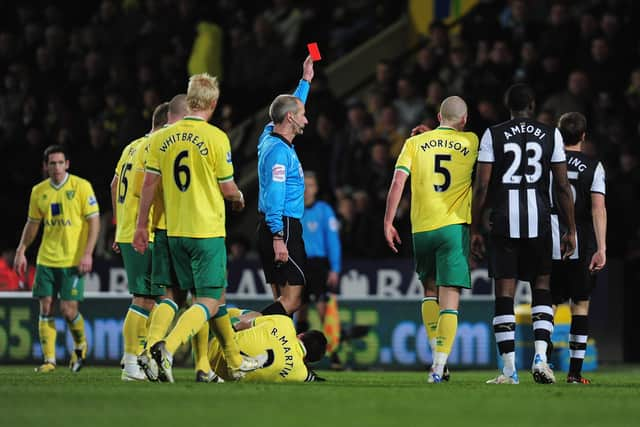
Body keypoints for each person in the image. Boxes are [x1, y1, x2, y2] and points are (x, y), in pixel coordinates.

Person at [133, 73, 264, 383]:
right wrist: (239, 197)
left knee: (185, 295)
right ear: (214, 103)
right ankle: (165, 350)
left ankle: (232, 361)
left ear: (189, 99)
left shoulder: (161, 137)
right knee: (208, 299)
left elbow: (149, 184)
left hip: (174, 231)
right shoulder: (217, 137)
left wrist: (141, 226)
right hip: (206, 232)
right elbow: (228, 187)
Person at [471, 84, 577, 385]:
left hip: (504, 223)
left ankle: (508, 371)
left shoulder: (493, 134)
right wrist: (569, 229)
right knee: (542, 289)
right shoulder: (552, 134)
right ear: (532, 103)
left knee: (504, 294)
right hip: (541, 222)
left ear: (508, 106)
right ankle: (541, 358)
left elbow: (482, 186)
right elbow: (562, 186)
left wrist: (475, 227)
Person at [384, 96, 479, 383]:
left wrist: (388, 221)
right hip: (453, 227)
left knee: (429, 292)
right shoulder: (472, 141)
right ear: (463, 120)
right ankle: (439, 365)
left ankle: (439, 362)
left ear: (439, 116)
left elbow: (398, 181)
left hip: (421, 229)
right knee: (450, 298)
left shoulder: (413, 143)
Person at [132, 94, 217, 383]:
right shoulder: (197, 139)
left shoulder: (152, 142)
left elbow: (137, 187)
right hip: (192, 228)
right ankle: (200, 365)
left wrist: (142, 224)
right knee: (204, 298)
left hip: (162, 230)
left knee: (169, 297)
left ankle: (148, 351)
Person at [14, 145, 100, 373]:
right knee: (46, 307)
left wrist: (88, 253)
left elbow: (94, 222)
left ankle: (80, 344)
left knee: (68, 310)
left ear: (67, 164)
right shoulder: (39, 191)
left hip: (73, 261)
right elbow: (33, 225)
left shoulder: (81, 187)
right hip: (46, 259)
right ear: (45, 166)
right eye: (52, 163)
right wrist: (22, 249)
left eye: (60, 162)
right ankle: (49, 360)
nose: (57, 167)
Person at [110, 102, 169, 381]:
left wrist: (119, 224)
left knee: (154, 300)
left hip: (127, 228)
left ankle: (134, 355)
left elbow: (113, 185)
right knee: (145, 299)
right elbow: (148, 185)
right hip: (144, 231)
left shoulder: (131, 146)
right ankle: (132, 362)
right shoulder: (155, 146)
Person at [551, 112, 606, 384]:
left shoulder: (549, 162)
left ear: (559, 134)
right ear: (584, 136)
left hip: (551, 238)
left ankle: (542, 361)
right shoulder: (594, 166)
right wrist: (602, 247)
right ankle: (574, 373)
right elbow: (598, 209)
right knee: (580, 306)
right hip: (581, 242)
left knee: (545, 305)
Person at [257, 56, 314, 317]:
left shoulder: (268, 134)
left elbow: (286, 107)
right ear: (290, 119)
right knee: (291, 301)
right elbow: (275, 196)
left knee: (281, 301)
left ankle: (272, 355)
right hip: (284, 226)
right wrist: (279, 237)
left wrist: (305, 81)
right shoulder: (280, 154)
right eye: (302, 116)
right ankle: (240, 329)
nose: (306, 120)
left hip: (271, 226)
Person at [209, 308, 327, 383]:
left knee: (255, 315)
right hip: (224, 375)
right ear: (308, 360)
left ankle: (212, 326)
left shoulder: (285, 322)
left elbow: (243, 325)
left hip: (214, 348)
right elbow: (312, 378)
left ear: (301, 335)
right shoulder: (300, 374)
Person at [298, 170, 342, 365]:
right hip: (298, 263)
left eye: (311, 185)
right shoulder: (293, 208)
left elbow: (333, 241)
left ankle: (333, 353)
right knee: (300, 308)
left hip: (318, 265)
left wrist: (335, 268)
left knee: (324, 310)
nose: (307, 189)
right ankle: (299, 354)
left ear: (316, 189)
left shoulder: (324, 210)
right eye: (304, 185)